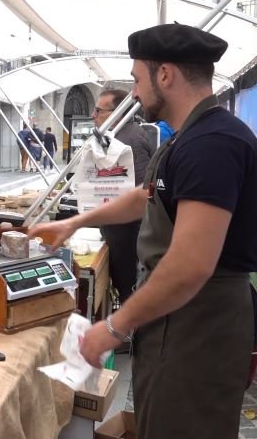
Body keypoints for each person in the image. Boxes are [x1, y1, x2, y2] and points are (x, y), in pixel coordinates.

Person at [29, 24, 257, 438]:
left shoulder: (213, 144)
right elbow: (144, 196)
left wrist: (114, 327)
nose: (135, 93)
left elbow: (189, 265)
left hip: (200, 322)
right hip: (175, 316)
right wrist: (74, 222)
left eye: (137, 79)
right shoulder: (185, 139)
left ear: (165, 75)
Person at [93, 89, 156, 304]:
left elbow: (137, 191)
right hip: (118, 224)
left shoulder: (129, 140)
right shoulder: (118, 135)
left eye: (99, 110)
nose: (94, 115)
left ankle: (128, 331)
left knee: (127, 283)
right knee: (122, 281)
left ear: (117, 113)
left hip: (127, 229)